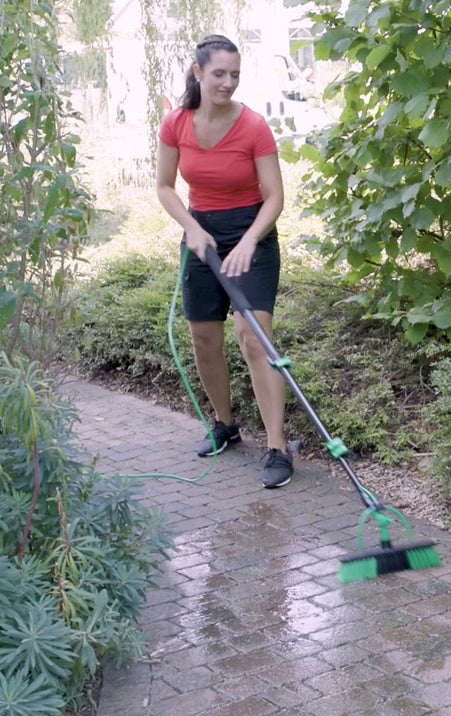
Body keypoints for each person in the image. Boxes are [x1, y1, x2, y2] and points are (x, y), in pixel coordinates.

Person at [156, 34, 293, 489]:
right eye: (219, 73)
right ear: (198, 73)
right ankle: (224, 424)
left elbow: (275, 196)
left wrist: (252, 239)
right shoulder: (176, 123)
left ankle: (276, 447)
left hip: (250, 233)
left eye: (235, 74)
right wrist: (192, 228)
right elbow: (165, 187)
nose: (228, 82)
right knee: (203, 338)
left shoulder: (253, 126)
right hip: (202, 234)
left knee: (255, 339)